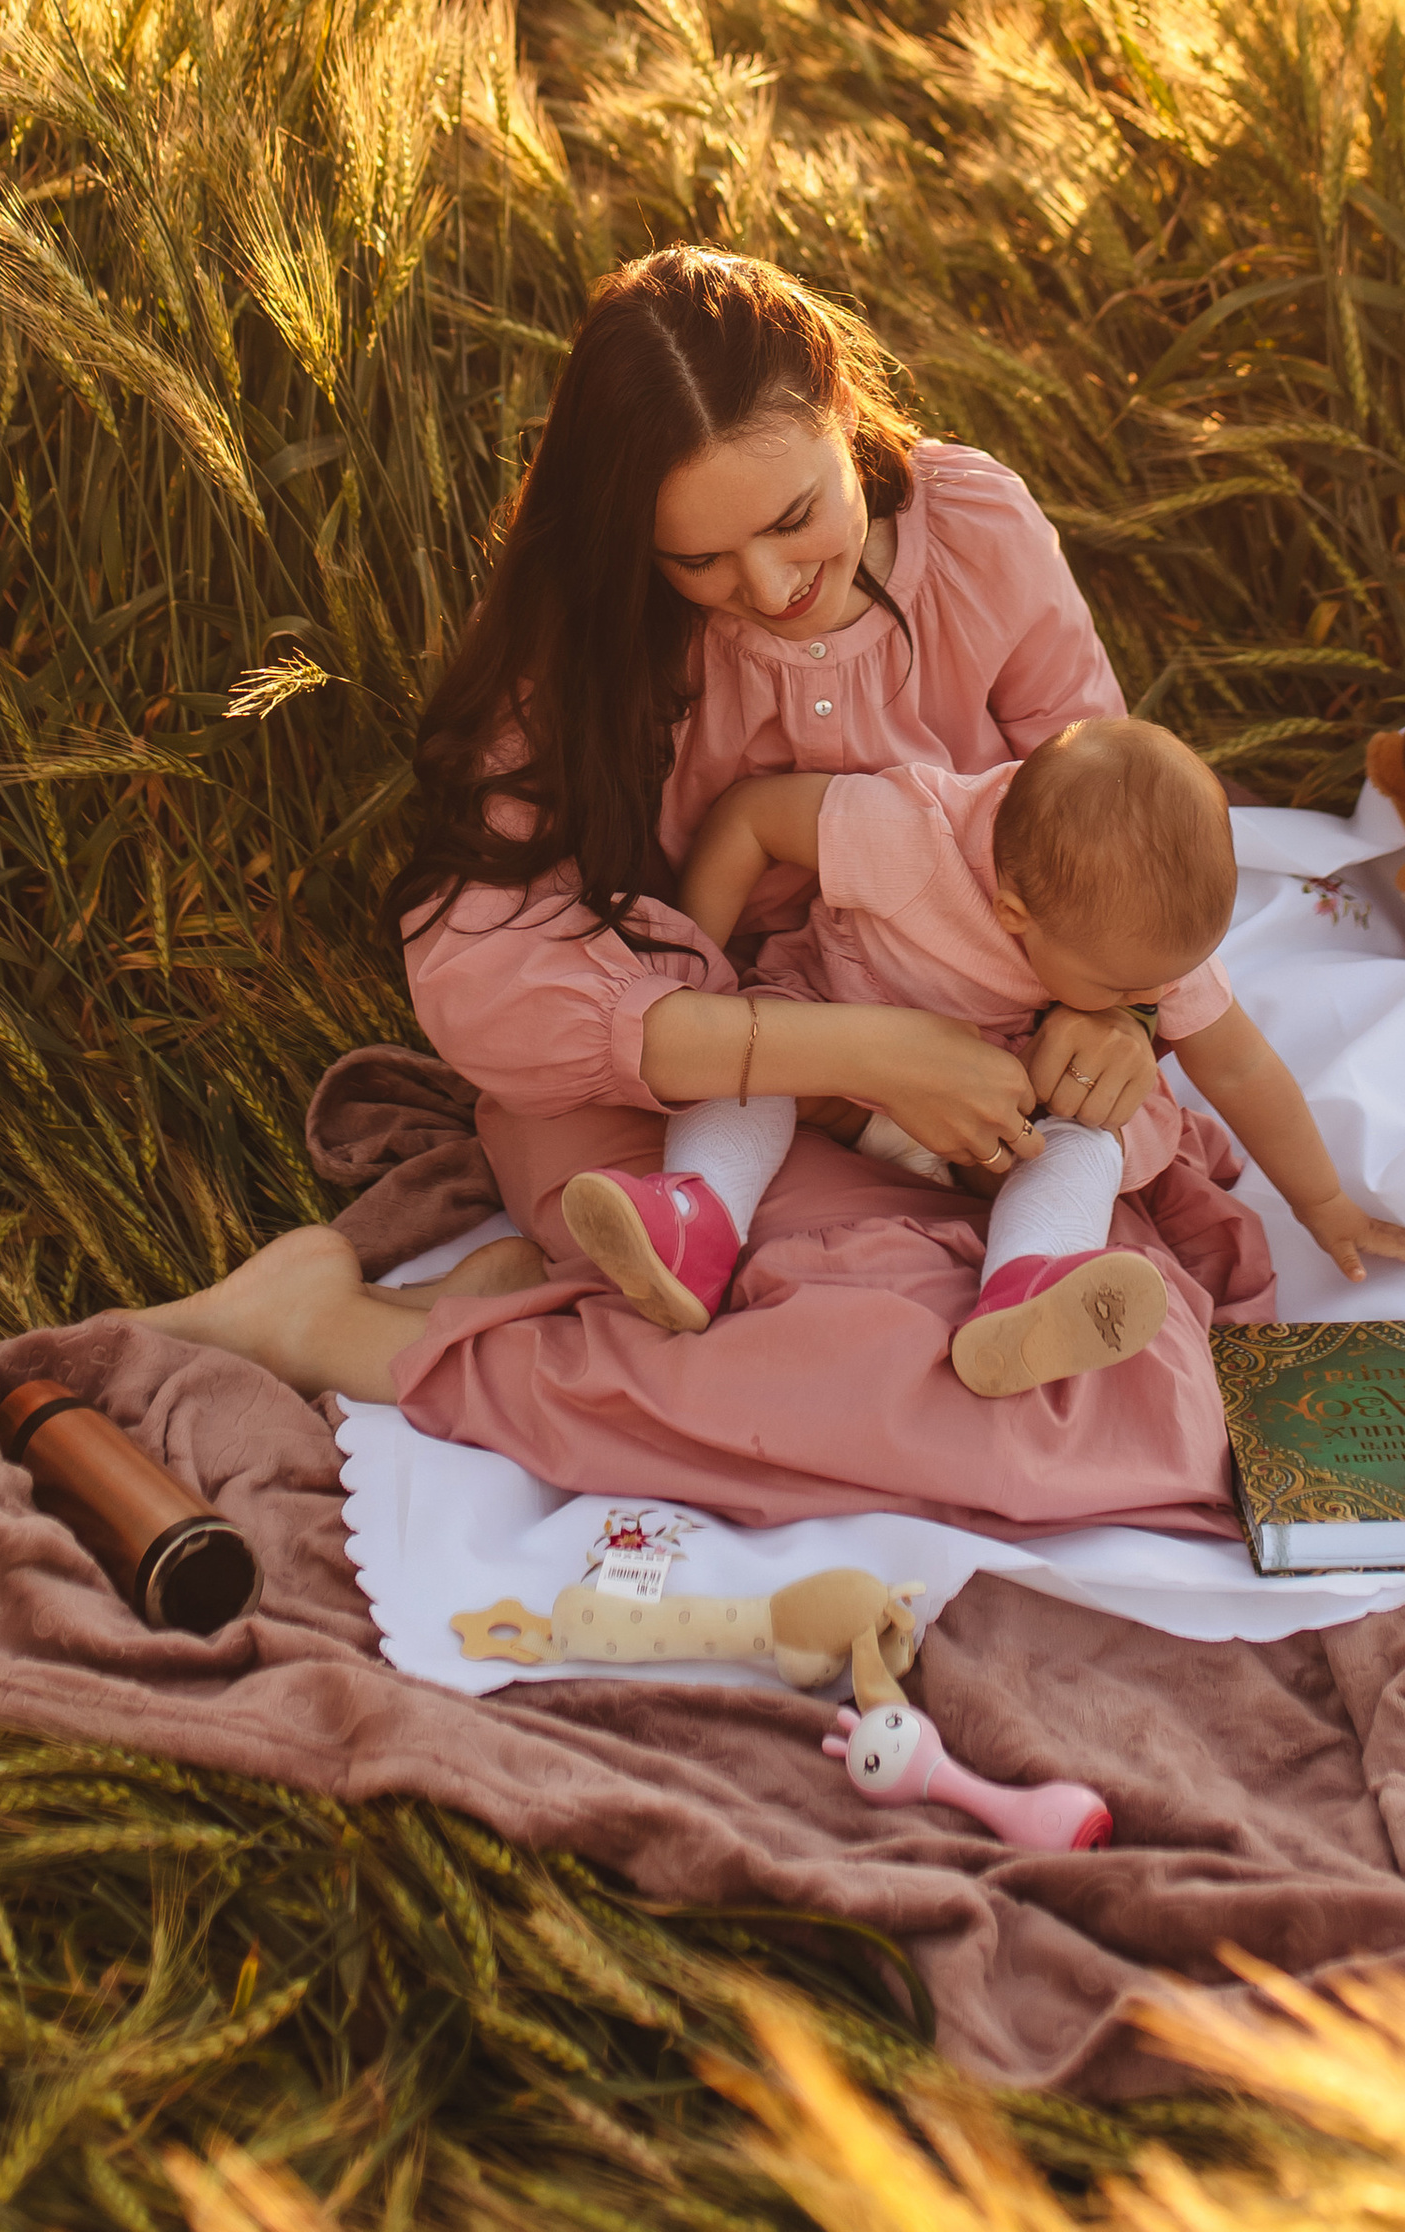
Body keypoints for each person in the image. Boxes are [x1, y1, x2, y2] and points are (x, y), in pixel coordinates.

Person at [144, 248, 1279, 1539]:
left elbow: (1094, 791)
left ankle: (513, 1299)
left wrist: (1109, 1018)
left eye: (797, 518)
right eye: (703, 561)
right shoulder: (585, 639)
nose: (771, 586)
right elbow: (480, 979)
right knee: (910, 1375)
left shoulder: (979, 534)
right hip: (680, 1107)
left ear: (843, 410)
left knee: (1136, 1386)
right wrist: (853, 1050)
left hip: (972, 1081)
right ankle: (340, 1329)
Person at [565, 720, 1405, 1393]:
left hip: (1002, 1121)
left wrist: (1325, 1204)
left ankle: (1030, 1288)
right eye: (1125, 986)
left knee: (1091, 1135)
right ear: (1014, 913)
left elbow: (1238, 1066)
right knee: (750, 1056)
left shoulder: (1143, 934)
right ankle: (695, 1220)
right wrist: (697, 974)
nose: (1154, 1002)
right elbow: (751, 818)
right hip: (843, 1050)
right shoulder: (909, 837)